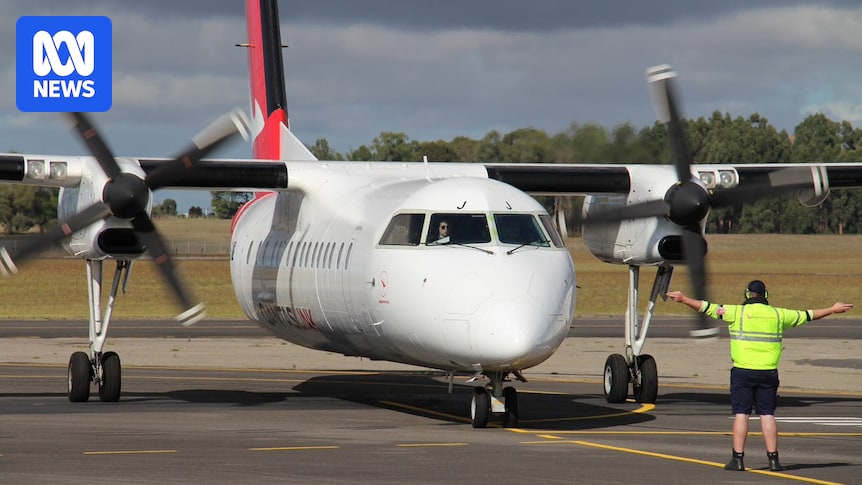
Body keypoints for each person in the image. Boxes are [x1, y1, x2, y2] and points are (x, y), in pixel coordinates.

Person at [666, 280, 853, 472]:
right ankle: (774, 460)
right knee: (767, 414)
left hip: (742, 372)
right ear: (766, 295)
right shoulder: (780, 315)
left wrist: (683, 298)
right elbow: (808, 315)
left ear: (747, 295)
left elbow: (706, 307)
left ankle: (738, 459)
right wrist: (832, 309)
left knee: (742, 414)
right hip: (768, 372)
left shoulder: (736, 312)